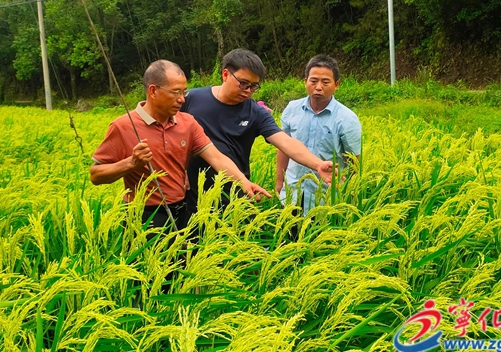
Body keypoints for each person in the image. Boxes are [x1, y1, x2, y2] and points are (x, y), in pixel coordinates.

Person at [90, 60, 271, 231]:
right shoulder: (123, 126)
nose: (182, 99)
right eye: (175, 92)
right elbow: (96, 175)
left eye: (184, 92)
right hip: (142, 214)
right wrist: (131, 163)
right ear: (153, 91)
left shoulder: (188, 123)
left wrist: (244, 182)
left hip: (183, 209)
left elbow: (217, 158)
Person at [181, 49, 334, 213]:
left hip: (236, 192)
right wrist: (179, 169)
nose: (248, 90)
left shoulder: (255, 112)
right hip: (189, 193)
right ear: (225, 75)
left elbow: (285, 141)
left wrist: (317, 164)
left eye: (254, 86)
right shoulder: (191, 99)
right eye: (243, 83)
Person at [276, 55, 361, 214]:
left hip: (326, 198)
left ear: (336, 85)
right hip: (292, 193)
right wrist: (279, 182)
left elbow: (354, 163)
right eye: (313, 81)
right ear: (305, 81)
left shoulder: (347, 119)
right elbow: (283, 148)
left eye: (325, 82)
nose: (318, 87)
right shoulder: (292, 110)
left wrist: (350, 195)